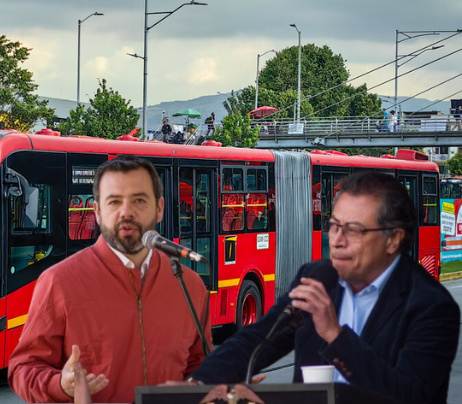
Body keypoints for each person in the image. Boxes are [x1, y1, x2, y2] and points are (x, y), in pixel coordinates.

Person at [178, 171, 460, 404]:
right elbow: (256, 339)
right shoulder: (317, 276)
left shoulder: (432, 307)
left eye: (354, 230)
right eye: (334, 226)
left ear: (393, 239)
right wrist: (199, 383)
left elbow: (411, 395)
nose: (336, 240)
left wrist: (336, 336)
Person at [8, 155, 211, 403]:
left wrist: (218, 385)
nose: (126, 212)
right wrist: (59, 384)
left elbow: (199, 366)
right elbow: (23, 368)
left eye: (139, 200)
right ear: (97, 211)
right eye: (114, 201)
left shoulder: (189, 285)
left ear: (159, 208)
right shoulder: (59, 281)